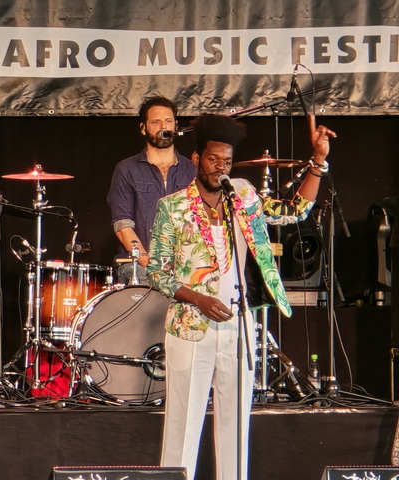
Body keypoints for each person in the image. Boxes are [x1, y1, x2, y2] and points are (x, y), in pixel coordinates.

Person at [146, 113, 336, 480]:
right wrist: (198, 299)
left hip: (239, 323)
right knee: (183, 422)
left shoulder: (243, 195)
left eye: (227, 161)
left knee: (235, 424)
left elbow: (294, 211)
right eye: (213, 159)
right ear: (197, 158)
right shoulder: (173, 206)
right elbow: (156, 271)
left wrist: (317, 161)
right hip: (191, 326)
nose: (220, 167)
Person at [107, 96, 197, 284]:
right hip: (139, 265)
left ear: (176, 126)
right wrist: (151, 264)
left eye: (168, 121)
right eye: (156, 122)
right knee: (145, 281)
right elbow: (122, 227)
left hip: (184, 265)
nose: (164, 126)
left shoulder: (192, 171)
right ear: (143, 128)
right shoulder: (126, 169)